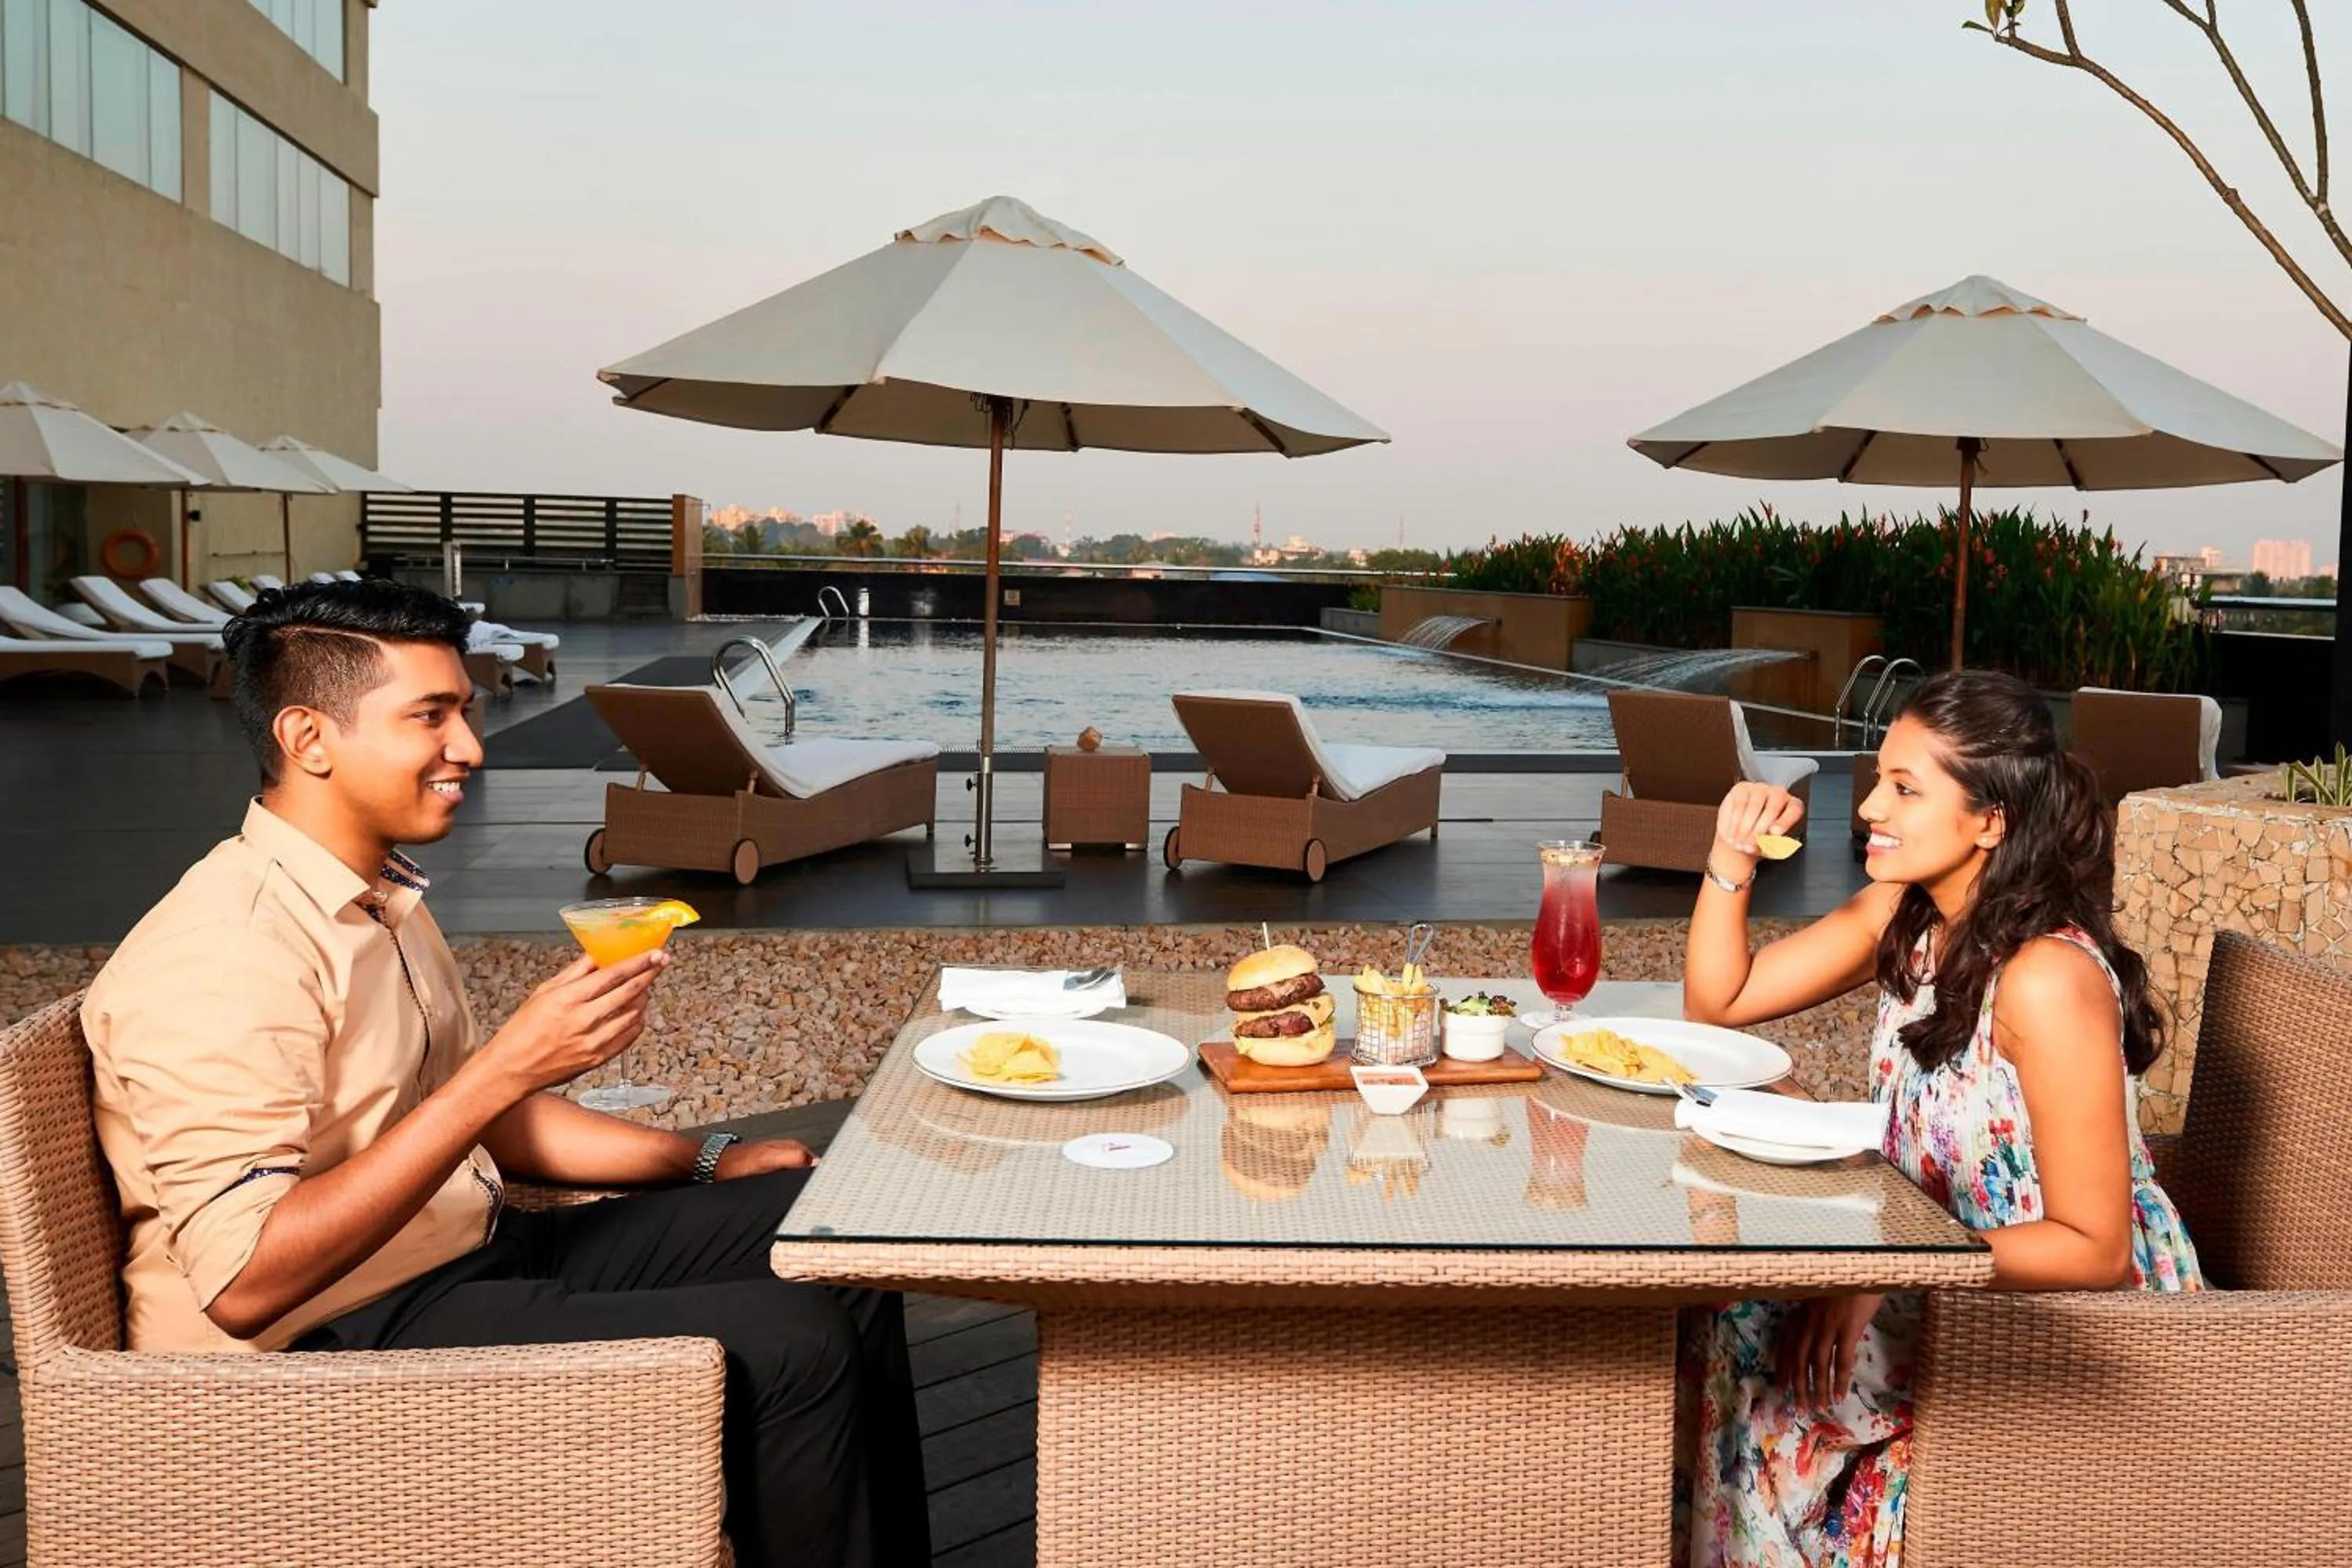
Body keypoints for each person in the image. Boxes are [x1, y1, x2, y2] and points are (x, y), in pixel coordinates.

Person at [80, 579, 927, 1568]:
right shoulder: (224, 950)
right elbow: (245, 1281)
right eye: (429, 717)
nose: (471, 749)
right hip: (323, 1339)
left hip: (460, 1252)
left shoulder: (374, 895)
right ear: (310, 736)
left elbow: (496, 1120)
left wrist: (709, 1159)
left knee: (835, 1235)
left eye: (464, 713)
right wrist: (502, 1068)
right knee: (793, 1337)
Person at [1675, 670, 2201, 1568]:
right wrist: (1731, 858)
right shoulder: (1907, 916)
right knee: (1715, 1314)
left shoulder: (2046, 976)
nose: (1871, 804)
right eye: (1879, 777)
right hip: (1931, 1262)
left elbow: (2095, 1245)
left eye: (1906, 788)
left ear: (1990, 820)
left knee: (1755, 1373)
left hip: (2060, 1310)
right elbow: (1719, 1002)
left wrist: (1888, 1267)